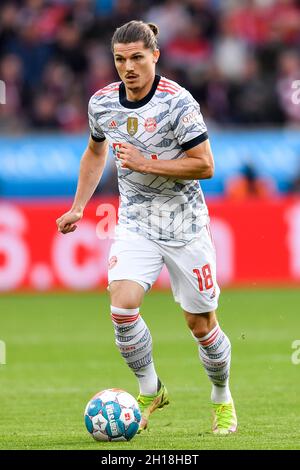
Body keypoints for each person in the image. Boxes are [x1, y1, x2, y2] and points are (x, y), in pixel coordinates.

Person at [56, 20, 237, 436]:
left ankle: (222, 395)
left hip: (185, 225)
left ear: (155, 55)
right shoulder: (102, 103)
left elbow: (206, 165)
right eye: (120, 59)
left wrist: (146, 163)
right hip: (136, 221)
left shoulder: (179, 104)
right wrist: (79, 206)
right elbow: (94, 152)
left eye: (138, 57)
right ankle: (150, 388)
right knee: (122, 306)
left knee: (202, 326)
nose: (128, 67)